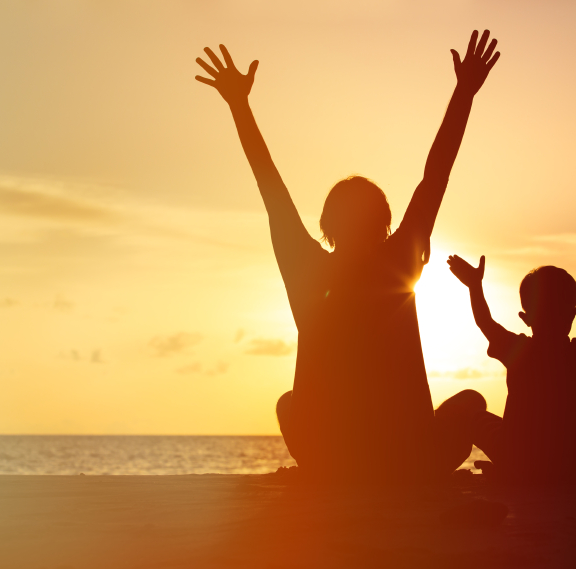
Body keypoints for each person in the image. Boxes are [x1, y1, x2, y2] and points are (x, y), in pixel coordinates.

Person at [194, 31, 501, 482]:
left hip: (330, 460)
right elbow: (436, 174)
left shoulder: (307, 267)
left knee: (286, 404)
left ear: (327, 226)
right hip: (408, 461)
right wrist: (464, 92)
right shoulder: (399, 262)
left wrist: (239, 105)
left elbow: (270, 187)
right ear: (386, 224)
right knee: (472, 403)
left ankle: (334, 465)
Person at [447, 229, 576, 484]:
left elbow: (484, 321)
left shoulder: (518, 350)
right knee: (499, 431)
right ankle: (507, 473)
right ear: (573, 314)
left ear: (525, 318)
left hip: (518, 460)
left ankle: (447, 468)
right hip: (570, 466)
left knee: (472, 416)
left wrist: (475, 286)